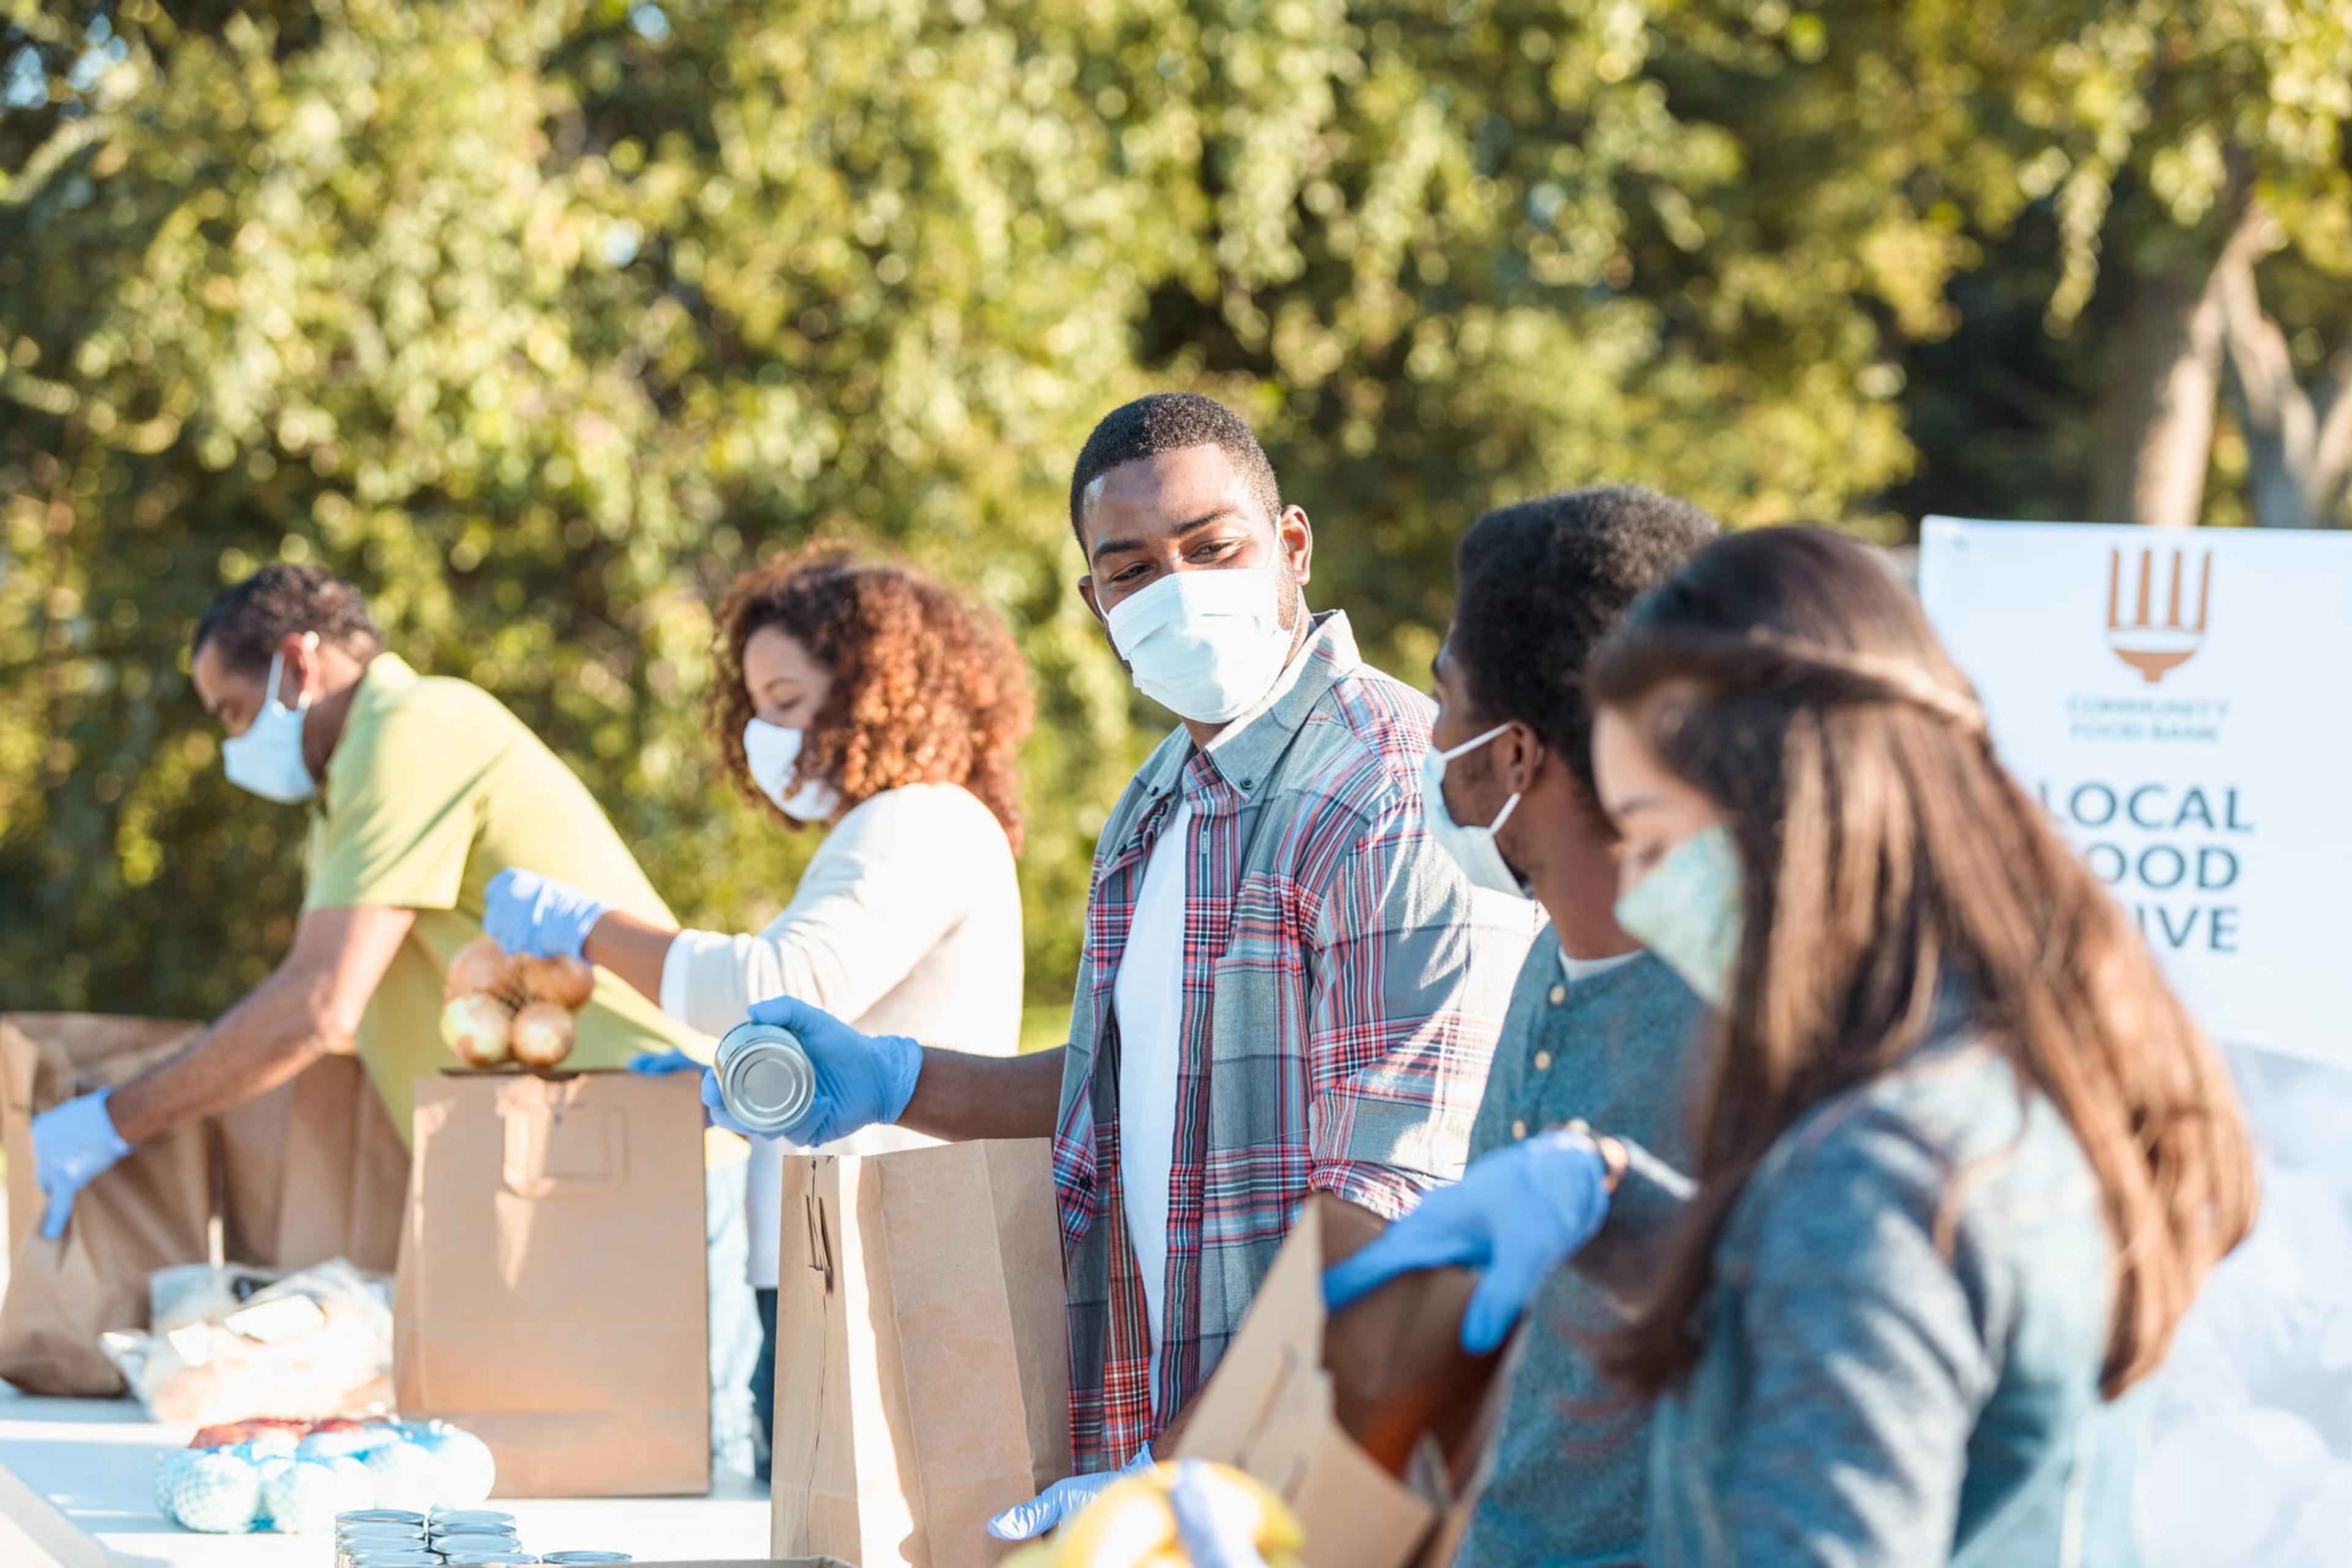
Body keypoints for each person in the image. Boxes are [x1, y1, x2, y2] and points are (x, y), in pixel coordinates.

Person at [1331, 526, 2258, 1564]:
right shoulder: (2003, 1068)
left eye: (1654, 836)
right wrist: (1618, 1205)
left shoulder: (1880, 1169)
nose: (1635, 886)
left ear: (1785, 813)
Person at [708, 392, 1536, 1533]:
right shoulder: (1157, 805)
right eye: (1135, 567)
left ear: (1291, 545)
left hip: (1326, 1488)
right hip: (1167, 1453)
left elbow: (1397, 1215)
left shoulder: (1389, 794)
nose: (1182, 587)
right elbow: (1129, 1090)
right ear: (1094, 599)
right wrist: (903, 1079)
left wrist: (1189, 1473)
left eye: (1214, 547)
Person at [480, 548, 1033, 1482]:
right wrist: (729, 1087)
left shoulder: (918, 821)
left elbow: (786, 981)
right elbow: (836, 1028)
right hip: (839, 1259)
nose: (765, 734)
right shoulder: (894, 827)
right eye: (757, 708)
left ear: (871, 687)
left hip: (881, 1264)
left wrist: (587, 928)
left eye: (784, 700)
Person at [29, 564, 699, 1235]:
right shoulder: (346, 781)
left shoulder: (408, 731)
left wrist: (112, 1121)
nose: (236, 746)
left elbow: (318, 1004)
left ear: (296, 664)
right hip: (567, 1159)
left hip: (639, 1144)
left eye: (234, 714)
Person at [1414, 487, 1717, 1568]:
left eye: (1445, 697)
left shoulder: (1748, 1021)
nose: (1429, 735)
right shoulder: (1551, 947)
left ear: (1514, 754)